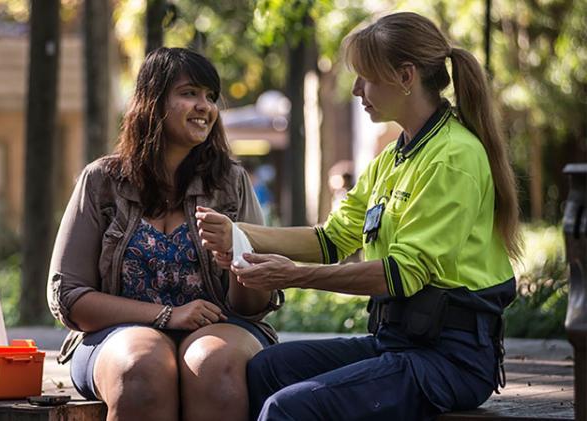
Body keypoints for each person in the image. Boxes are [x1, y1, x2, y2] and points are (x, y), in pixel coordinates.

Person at [196, 12, 521, 421]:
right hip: (398, 343)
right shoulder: (394, 156)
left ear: (406, 76)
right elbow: (332, 239)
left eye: (365, 77)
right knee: (265, 368)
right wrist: (241, 233)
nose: (355, 90)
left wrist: (291, 275)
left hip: (451, 360)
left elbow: (400, 275)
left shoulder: (452, 157)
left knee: (288, 409)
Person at [47, 47, 281, 421]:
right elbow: (70, 298)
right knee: (141, 366)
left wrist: (237, 261)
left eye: (210, 96)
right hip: (116, 334)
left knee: (214, 366)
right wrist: (167, 315)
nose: (204, 105)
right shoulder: (101, 182)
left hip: (222, 329)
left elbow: (253, 307)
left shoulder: (230, 182)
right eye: (190, 93)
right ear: (152, 103)